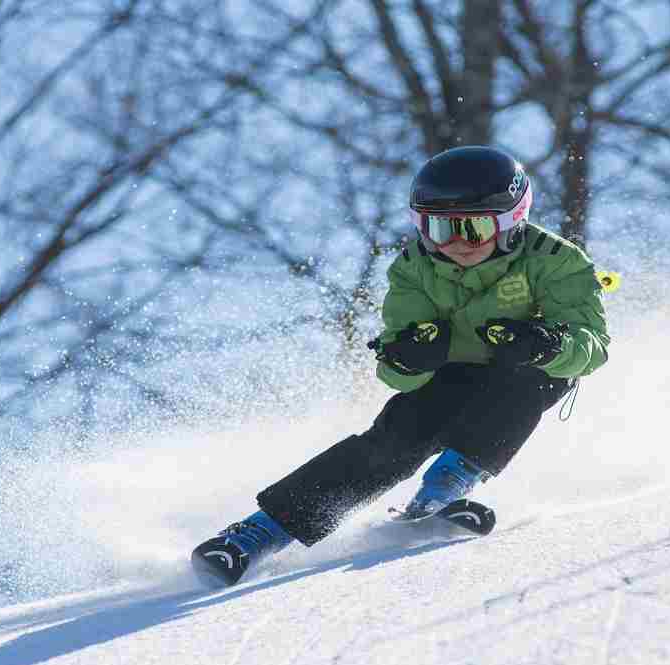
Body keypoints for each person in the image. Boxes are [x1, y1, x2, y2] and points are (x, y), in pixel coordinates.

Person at [191, 146, 610, 586]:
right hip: (452, 373)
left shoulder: (556, 260)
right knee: (397, 438)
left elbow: (593, 345)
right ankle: (259, 533)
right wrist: (408, 358)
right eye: (437, 227)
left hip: (527, 369)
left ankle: (443, 490)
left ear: (510, 220)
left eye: (472, 227)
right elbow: (395, 368)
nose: (453, 243)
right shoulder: (415, 267)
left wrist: (546, 346)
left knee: (522, 386)